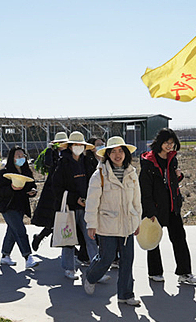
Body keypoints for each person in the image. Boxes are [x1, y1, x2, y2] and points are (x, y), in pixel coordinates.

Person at [83, 136, 142, 306]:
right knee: (106, 258)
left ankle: (125, 294)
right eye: (113, 151)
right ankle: (91, 276)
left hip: (127, 224)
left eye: (120, 151)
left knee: (127, 260)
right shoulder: (99, 174)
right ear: (107, 154)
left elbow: (136, 200)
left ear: (125, 153)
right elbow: (92, 201)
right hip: (107, 224)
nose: (118, 155)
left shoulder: (131, 173)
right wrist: (91, 224)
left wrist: (137, 221)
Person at [140, 128, 196, 285]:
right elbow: (145, 190)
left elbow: (169, 182)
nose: (169, 146)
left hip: (172, 206)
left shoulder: (172, 159)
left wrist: (178, 177)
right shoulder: (148, 162)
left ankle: (185, 273)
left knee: (179, 238)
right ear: (159, 142)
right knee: (154, 240)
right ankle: (155, 272)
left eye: (172, 143)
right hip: (156, 208)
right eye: (166, 143)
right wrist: (150, 210)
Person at [52, 131, 97, 280]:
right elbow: (57, 187)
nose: (78, 147)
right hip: (70, 207)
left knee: (91, 237)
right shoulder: (62, 163)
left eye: (80, 145)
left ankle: (97, 269)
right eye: (75, 144)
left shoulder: (88, 162)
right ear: (70, 146)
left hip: (86, 206)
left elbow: (95, 182)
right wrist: (74, 198)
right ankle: (69, 268)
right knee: (68, 238)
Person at [0, 146, 40, 269]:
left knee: (12, 231)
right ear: (12, 158)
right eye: (18, 156)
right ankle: (28, 256)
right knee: (20, 230)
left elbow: (32, 185)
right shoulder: (4, 172)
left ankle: (5, 256)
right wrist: (11, 189)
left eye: (23, 156)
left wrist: (33, 191)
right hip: (8, 207)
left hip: (20, 206)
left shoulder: (26, 171)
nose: (21, 158)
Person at [31, 131, 69, 250]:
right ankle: (41, 237)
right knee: (53, 218)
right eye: (59, 142)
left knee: (64, 218)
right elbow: (48, 164)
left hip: (66, 188)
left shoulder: (69, 153)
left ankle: (42, 237)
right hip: (51, 189)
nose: (62, 145)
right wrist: (50, 150)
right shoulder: (51, 153)